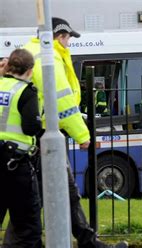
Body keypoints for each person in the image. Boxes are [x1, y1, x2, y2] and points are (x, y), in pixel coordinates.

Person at [23, 17, 128, 248]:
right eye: (68, 37)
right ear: (59, 37)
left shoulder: (30, 51)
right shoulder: (47, 57)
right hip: (45, 136)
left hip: (37, 137)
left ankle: (89, 242)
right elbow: (62, 100)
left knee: (57, 194)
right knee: (41, 199)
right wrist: (82, 134)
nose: (69, 42)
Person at [0, 49, 42, 248]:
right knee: (27, 226)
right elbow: (31, 127)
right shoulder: (26, 91)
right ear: (30, 70)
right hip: (14, 165)